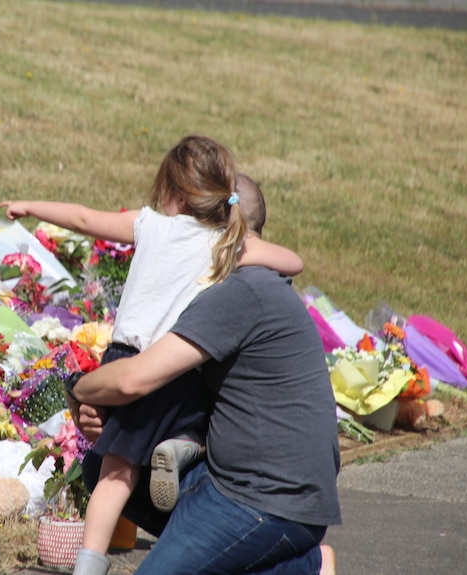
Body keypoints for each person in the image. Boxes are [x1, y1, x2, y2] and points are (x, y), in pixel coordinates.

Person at [0, 135, 304, 575]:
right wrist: (240, 240)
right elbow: (291, 262)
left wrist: (29, 205)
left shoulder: (150, 225)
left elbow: (84, 218)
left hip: (127, 361)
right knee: (201, 414)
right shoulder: (225, 243)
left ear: (175, 194)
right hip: (176, 364)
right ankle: (183, 447)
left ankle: (88, 567)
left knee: (115, 474)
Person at [65, 198, 342, 573]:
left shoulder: (238, 293)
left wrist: (79, 387)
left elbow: (134, 378)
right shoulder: (263, 286)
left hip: (262, 502)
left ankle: (302, 563)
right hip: (257, 488)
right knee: (103, 464)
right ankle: (304, 563)